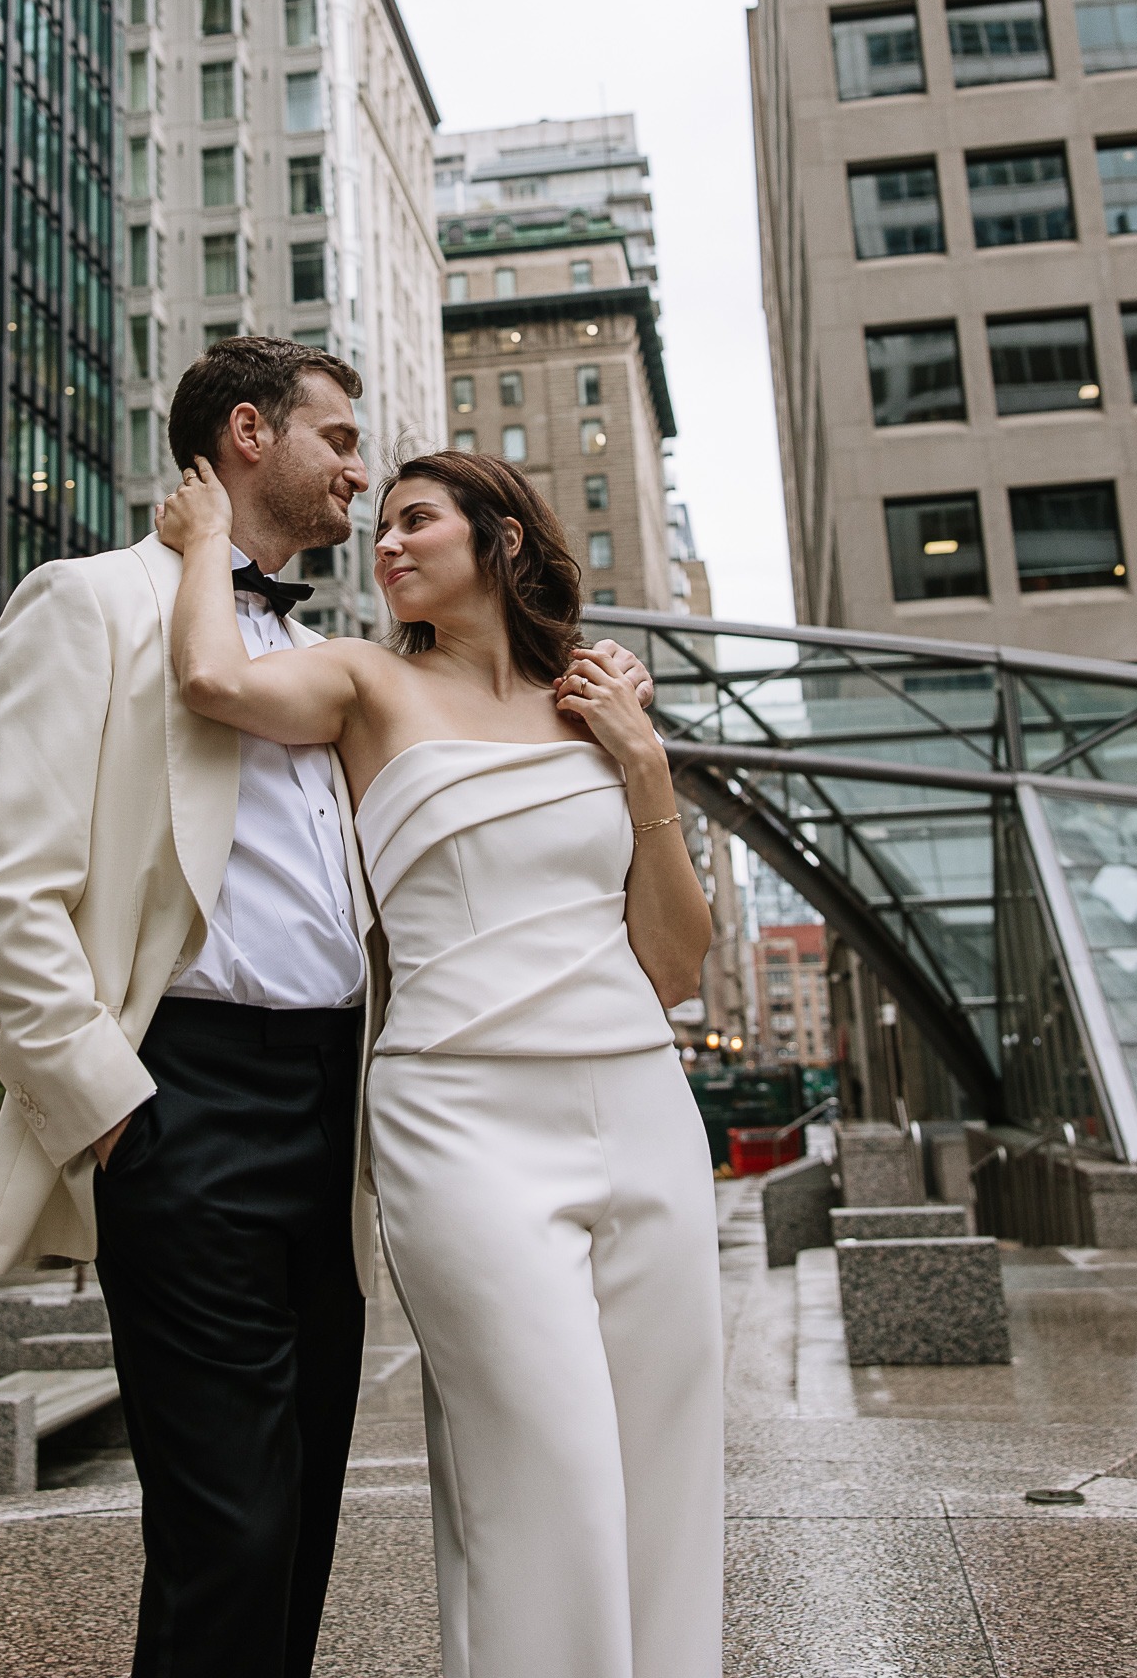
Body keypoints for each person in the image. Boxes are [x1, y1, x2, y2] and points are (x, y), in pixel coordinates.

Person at [0, 337, 666, 1678]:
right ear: (243, 437)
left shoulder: (332, 659)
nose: (354, 469)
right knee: (228, 1525)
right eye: (336, 440)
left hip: (338, 1108)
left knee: (301, 1514)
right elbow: (1, 892)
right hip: (183, 1100)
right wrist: (112, 1114)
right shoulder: (88, 604)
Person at [157, 445, 725, 1678]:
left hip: (640, 1101)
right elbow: (207, 675)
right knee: (547, 1459)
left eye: (419, 521)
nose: (389, 543)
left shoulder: (598, 704)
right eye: (383, 527)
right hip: (460, 1118)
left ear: (502, 541)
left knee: (665, 1455)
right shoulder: (364, 680)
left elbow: (676, 966)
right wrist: (207, 537)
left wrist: (643, 765)